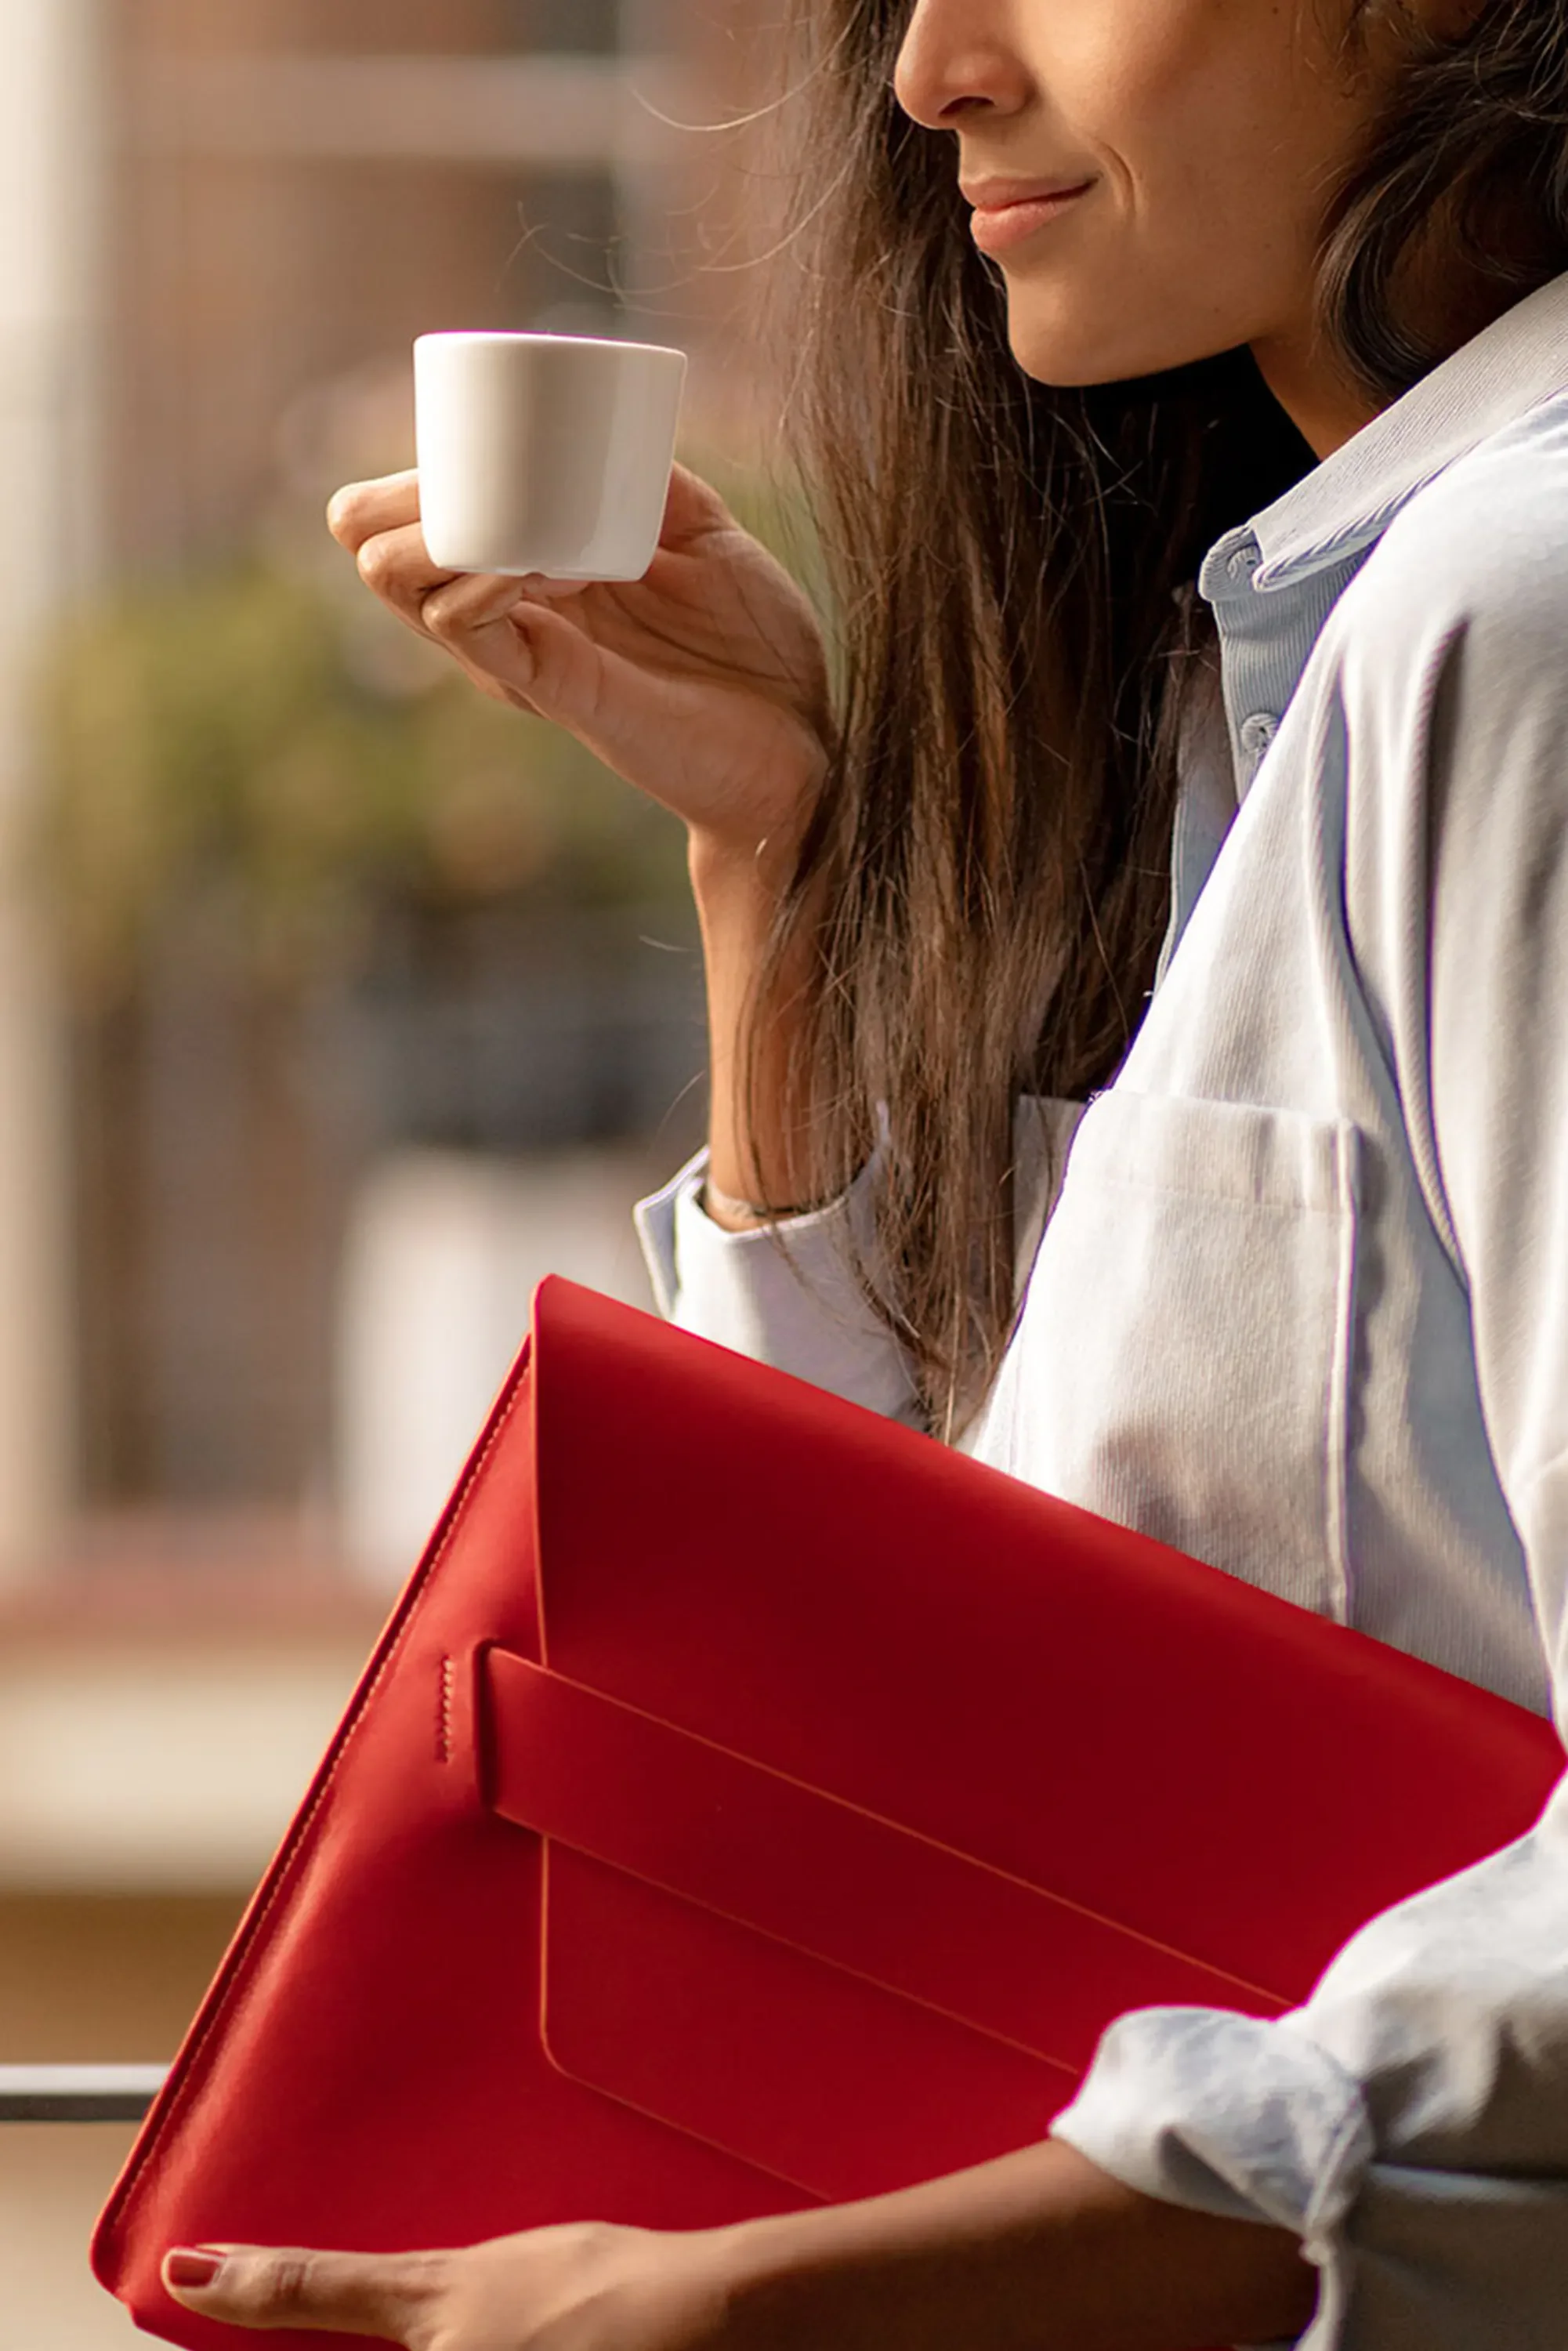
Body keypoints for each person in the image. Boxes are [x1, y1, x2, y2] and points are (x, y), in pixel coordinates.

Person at [163, 0, 1568, 2340]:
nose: (929, 70)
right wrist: (782, 871)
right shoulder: (1277, 671)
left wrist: (805, 2296)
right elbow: (946, 1726)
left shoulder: (1509, 620)